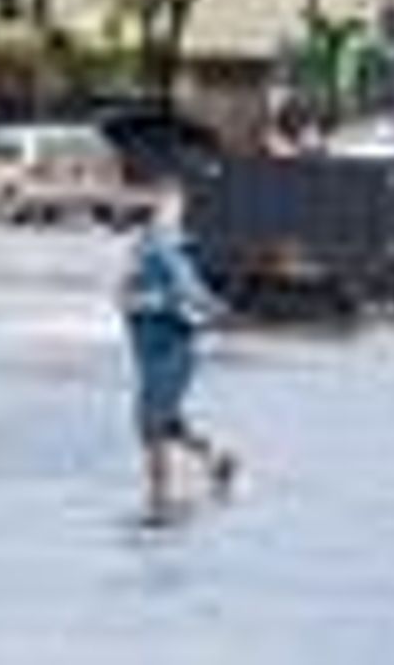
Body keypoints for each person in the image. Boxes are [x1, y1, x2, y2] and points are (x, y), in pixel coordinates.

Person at [120, 177, 238, 526]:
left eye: (166, 207)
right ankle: (218, 460)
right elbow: (125, 294)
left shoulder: (167, 251)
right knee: (168, 423)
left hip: (172, 349)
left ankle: (158, 497)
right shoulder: (142, 250)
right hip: (148, 350)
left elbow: (190, 289)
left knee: (149, 423)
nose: (158, 214)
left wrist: (216, 309)